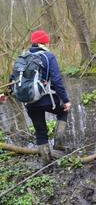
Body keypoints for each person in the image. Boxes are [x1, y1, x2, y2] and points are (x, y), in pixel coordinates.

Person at [10, 30, 71, 164]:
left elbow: (13, 79)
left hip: (29, 101)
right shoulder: (49, 56)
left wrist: (7, 93)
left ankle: (46, 163)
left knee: (40, 131)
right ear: (45, 42)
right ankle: (58, 144)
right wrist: (65, 100)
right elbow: (56, 80)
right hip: (46, 99)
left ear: (33, 42)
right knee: (64, 111)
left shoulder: (22, 57)